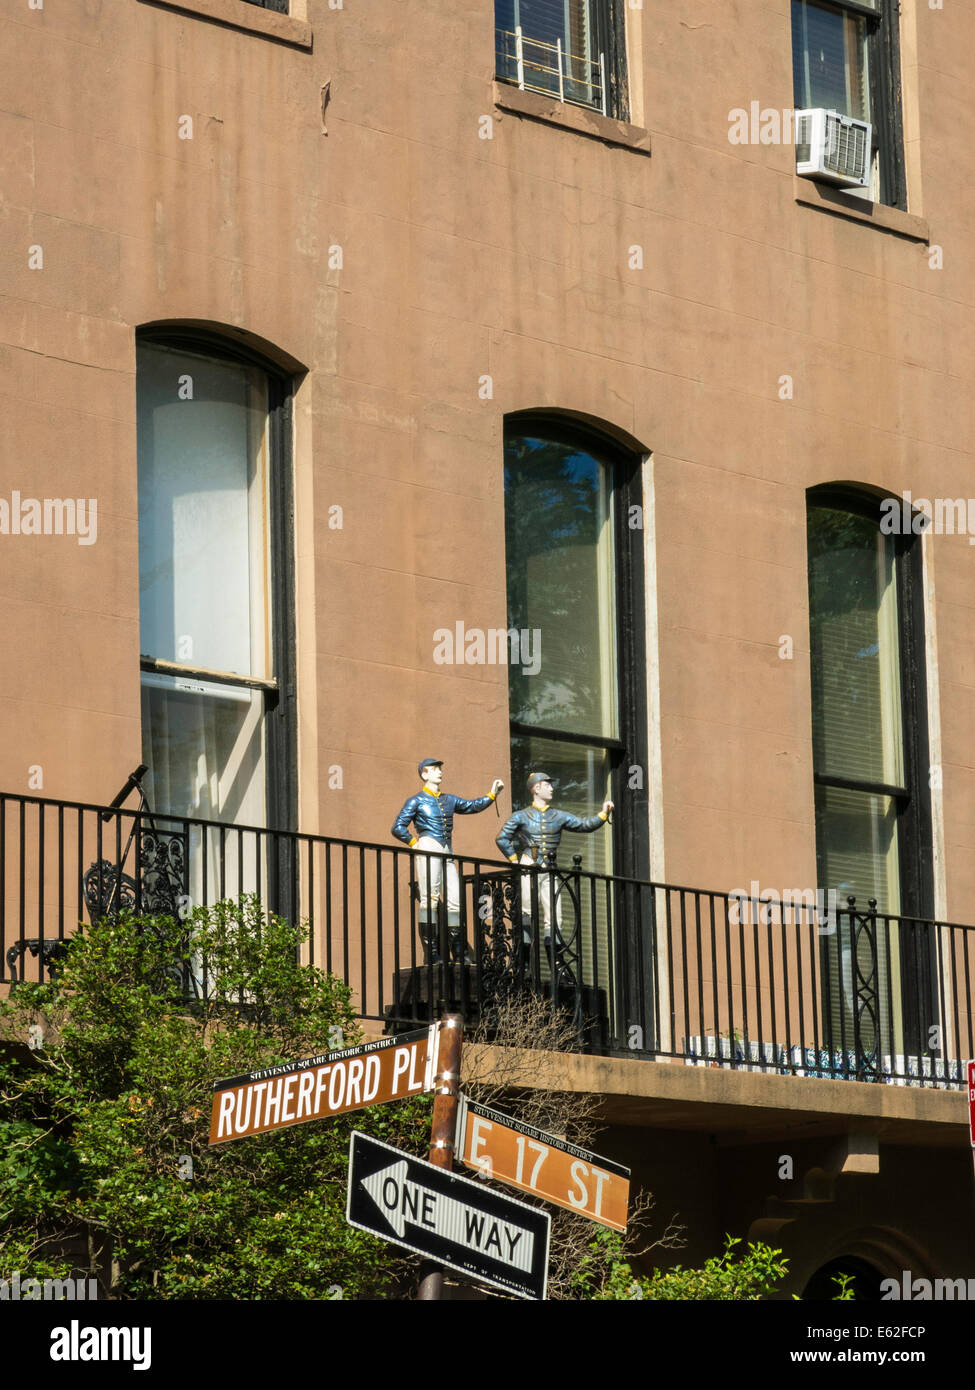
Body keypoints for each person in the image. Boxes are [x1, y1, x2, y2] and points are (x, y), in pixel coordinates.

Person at [391, 759, 504, 961]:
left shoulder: (448, 800)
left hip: (447, 850)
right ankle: (431, 952)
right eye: (434, 769)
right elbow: (398, 827)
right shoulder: (416, 800)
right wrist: (414, 843)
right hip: (428, 845)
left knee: (454, 899)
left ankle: (458, 951)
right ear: (424, 774)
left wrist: (492, 794)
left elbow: (472, 806)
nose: (439, 772)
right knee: (429, 899)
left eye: (440, 769)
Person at [496, 771, 612, 948]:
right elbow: (502, 838)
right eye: (547, 784)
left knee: (554, 913)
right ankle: (526, 962)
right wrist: (514, 860)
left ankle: (556, 962)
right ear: (536, 788)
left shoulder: (558, 815)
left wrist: (603, 814)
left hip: (549, 867)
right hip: (528, 864)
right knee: (526, 910)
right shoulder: (520, 815)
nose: (552, 788)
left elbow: (583, 824)